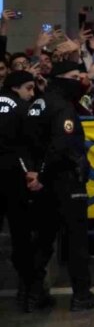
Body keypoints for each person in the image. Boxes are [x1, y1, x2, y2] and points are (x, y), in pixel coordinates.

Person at [26, 61, 94, 312]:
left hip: (43, 182)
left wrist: (36, 174)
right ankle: (81, 295)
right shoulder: (62, 107)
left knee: (43, 239)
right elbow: (60, 146)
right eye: (75, 76)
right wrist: (42, 174)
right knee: (76, 241)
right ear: (61, 78)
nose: (80, 80)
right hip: (63, 180)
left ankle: (32, 293)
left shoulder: (38, 103)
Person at [0, 71, 39, 310]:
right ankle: (27, 292)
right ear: (17, 88)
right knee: (21, 235)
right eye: (29, 88)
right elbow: (30, 144)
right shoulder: (22, 109)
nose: (31, 94)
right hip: (14, 178)